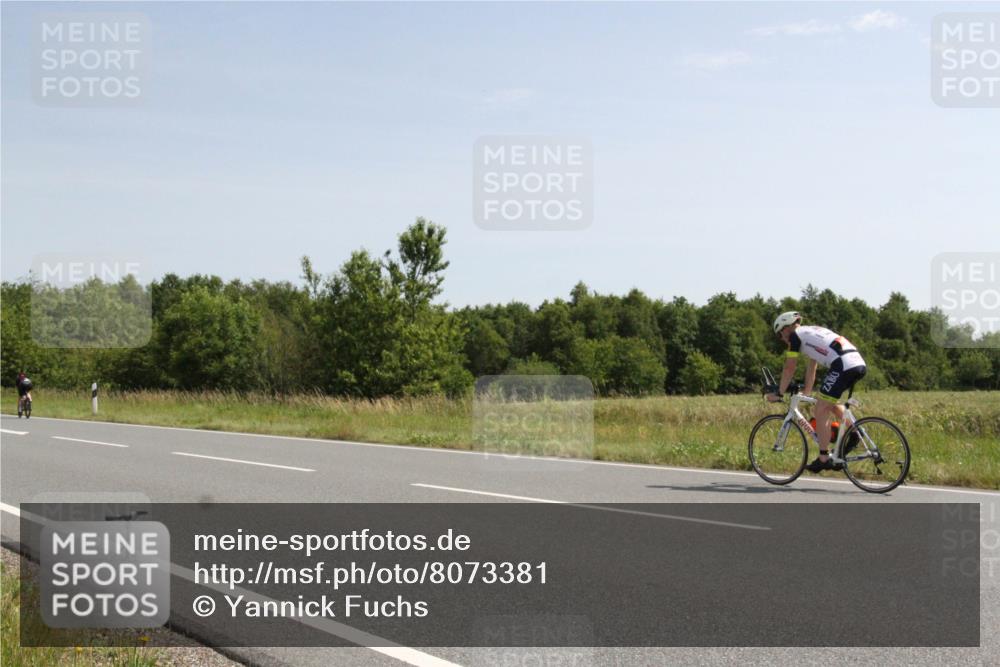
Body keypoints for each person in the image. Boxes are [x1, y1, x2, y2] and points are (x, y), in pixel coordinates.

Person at [766, 312, 867, 473]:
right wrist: (806, 392)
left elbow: (789, 367)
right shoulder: (810, 332)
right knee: (827, 402)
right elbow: (812, 367)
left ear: (786, 328)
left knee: (820, 409)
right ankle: (856, 432)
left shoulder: (795, 336)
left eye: (779, 335)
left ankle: (823, 458)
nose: (782, 339)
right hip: (856, 362)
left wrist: (779, 392)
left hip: (843, 365)